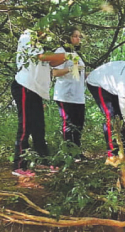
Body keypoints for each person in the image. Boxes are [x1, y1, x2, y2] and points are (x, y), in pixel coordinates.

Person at [12, 29, 71, 177]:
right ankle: (19, 165)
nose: (48, 32)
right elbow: (41, 57)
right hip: (25, 86)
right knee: (25, 125)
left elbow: (51, 61)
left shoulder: (39, 44)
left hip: (35, 90)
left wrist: (67, 57)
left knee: (38, 126)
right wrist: (65, 55)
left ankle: (42, 161)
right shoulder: (27, 35)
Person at [52, 27, 86, 159]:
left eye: (79, 36)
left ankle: (77, 151)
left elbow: (79, 73)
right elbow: (55, 72)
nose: (78, 39)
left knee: (78, 124)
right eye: (75, 36)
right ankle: (68, 153)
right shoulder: (60, 52)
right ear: (68, 38)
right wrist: (70, 68)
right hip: (65, 94)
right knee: (69, 124)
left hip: (78, 95)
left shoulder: (75, 53)